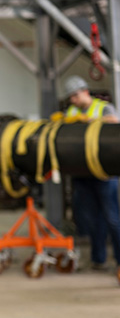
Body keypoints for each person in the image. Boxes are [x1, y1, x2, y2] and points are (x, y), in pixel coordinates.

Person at [63, 75, 120, 284]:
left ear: (85, 91)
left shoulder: (103, 108)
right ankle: (98, 259)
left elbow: (115, 123)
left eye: (76, 96)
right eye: (71, 98)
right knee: (91, 219)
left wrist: (90, 121)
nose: (73, 101)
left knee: (112, 218)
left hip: (104, 174)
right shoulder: (70, 113)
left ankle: (119, 261)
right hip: (82, 173)